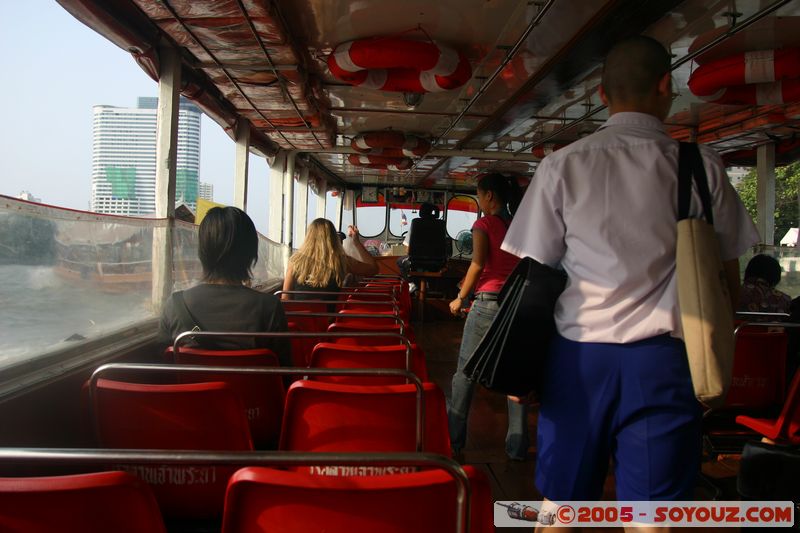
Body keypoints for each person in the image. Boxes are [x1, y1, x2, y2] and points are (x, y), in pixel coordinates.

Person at [501, 36, 759, 509]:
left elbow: (535, 276)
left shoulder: (560, 166)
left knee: (562, 506)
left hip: (575, 361)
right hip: (665, 362)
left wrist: (523, 369)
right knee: (653, 513)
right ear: (667, 85)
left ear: (601, 94)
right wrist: (713, 360)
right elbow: (727, 281)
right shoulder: (701, 168)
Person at [447, 173, 529, 461]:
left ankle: (453, 442)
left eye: (479, 196)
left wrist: (460, 298)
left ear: (489, 197)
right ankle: (517, 449)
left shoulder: (484, 224)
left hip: (488, 305)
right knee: (514, 379)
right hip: (517, 305)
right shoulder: (519, 226)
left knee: (465, 375)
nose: (479, 201)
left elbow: (478, 264)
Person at [159, 206, 290, 365]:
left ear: (202, 252)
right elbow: (284, 374)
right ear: (250, 254)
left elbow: (163, 371)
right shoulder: (270, 308)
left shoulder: (175, 305)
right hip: (250, 390)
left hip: (190, 389)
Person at [282, 218, 378, 299]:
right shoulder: (340, 261)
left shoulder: (295, 261)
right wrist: (356, 242)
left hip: (300, 318)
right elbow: (373, 269)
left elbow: (285, 297)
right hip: (330, 318)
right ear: (333, 237)